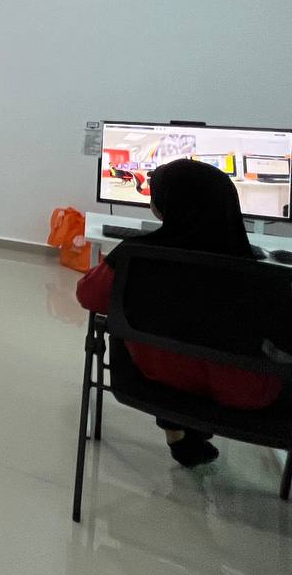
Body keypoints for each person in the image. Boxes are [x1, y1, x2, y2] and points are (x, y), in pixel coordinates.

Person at [76, 158, 282, 467]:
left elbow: (88, 295)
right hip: (248, 398)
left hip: (157, 380)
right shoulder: (266, 279)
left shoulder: (134, 258)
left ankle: (177, 432)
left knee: (131, 324)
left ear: (161, 208)